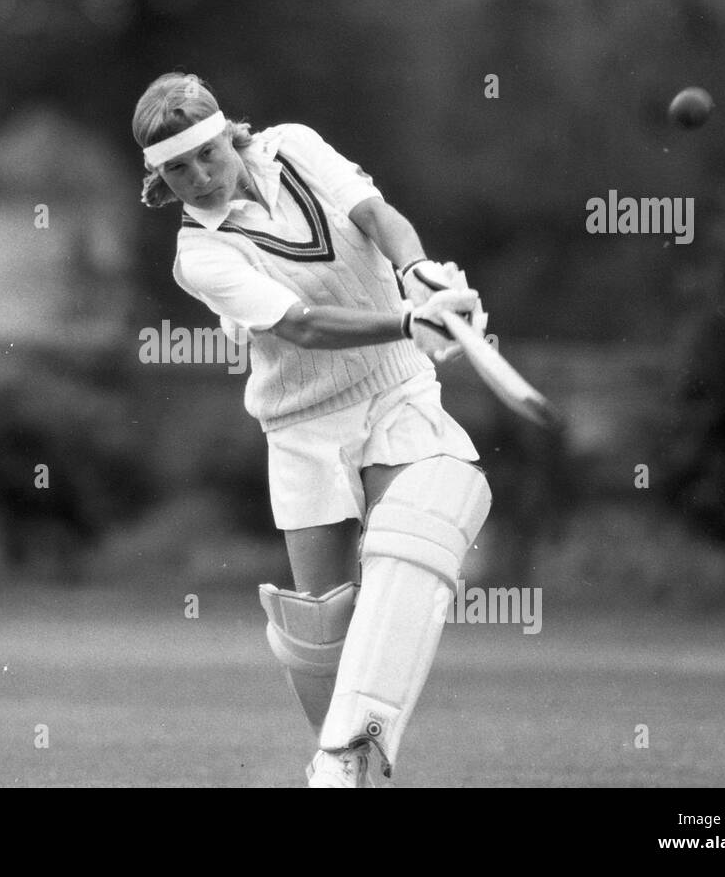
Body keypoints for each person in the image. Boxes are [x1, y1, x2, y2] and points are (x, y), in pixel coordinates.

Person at [131, 71, 493, 788]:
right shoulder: (198, 255)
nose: (200, 176)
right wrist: (410, 319)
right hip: (302, 422)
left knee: (408, 543)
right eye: (177, 169)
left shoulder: (293, 146)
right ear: (161, 180)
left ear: (230, 135)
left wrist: (418, 271)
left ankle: (353, 753)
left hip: (395, 385)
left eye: (208, 154)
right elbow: (300, 325)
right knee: (321, 627)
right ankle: (342, 770)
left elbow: (376, 215)